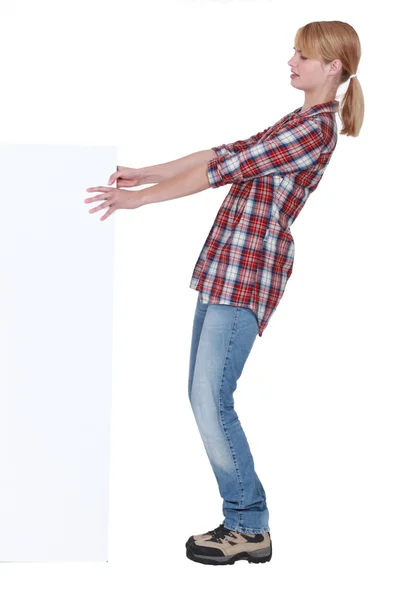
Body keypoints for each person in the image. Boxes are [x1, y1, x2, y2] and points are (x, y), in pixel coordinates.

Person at [84, 20, 364, 566]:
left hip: (248, 273)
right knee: (202, 397)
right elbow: (218, 151)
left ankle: (248, 524)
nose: (291, 63)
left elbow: (220, 171)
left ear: (332, 67)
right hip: (225, 267)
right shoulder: (298, 118)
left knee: (211, 401)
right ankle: (242, 520)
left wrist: (138, 203)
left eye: (302, 57)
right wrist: (141, 175)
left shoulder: (315, 128)